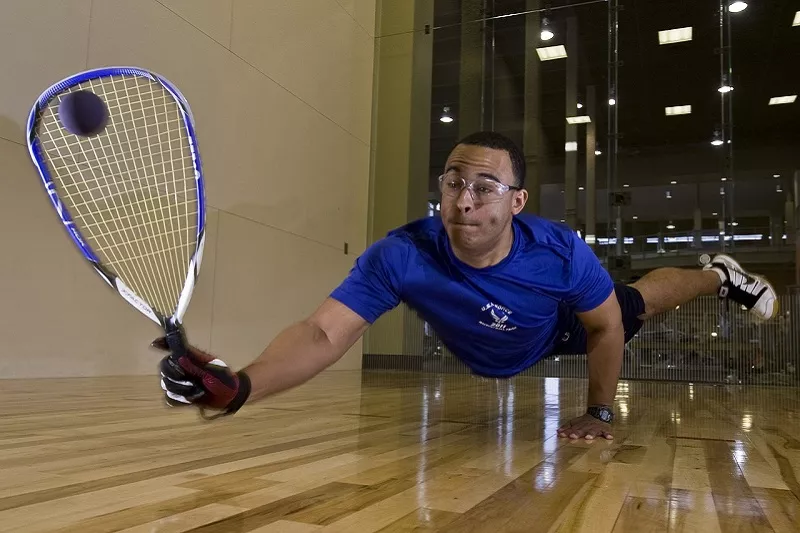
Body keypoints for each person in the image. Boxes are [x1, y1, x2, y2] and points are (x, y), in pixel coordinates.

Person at [156, 131, 778, 440]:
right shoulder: (401, 255)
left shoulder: (559, 251)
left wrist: (597, 411)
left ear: (518, 201)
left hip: (563, 324)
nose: (464, 199)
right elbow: (322, 332)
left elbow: (605, 327)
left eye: (485, 186)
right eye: (454, 182)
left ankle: (716, 274)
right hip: (504, 338)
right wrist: (240, 387)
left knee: (638, 299)